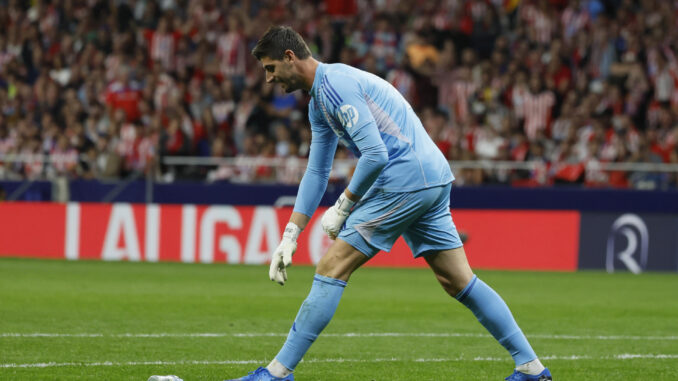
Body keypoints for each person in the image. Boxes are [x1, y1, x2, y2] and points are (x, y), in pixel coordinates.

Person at [227, 26, 552, 381]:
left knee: (331, 267)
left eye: (271, 68)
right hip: (431, 175)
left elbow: (376, 155)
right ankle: (531, 368)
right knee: (458, 280)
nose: (269, 79)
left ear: (290, 57)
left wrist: (344, 205)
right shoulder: (320, 100)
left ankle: (276, 374)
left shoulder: (335, 86)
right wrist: (291, 234)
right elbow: (317, 170)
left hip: (404, 178)